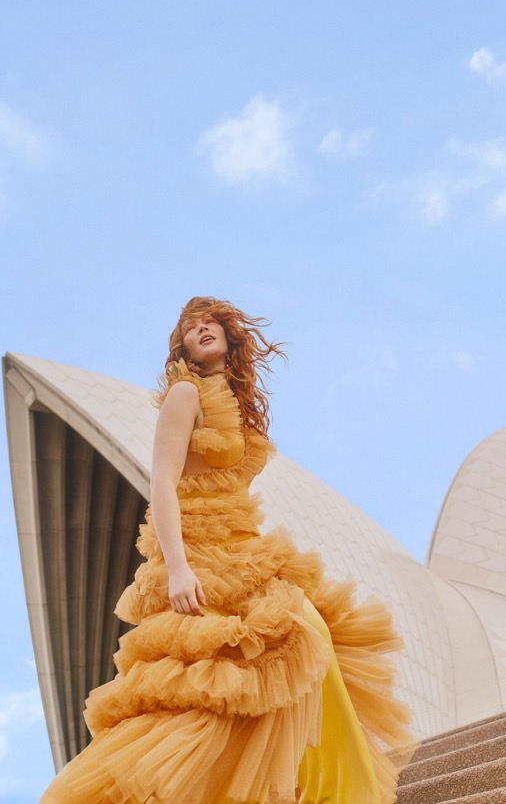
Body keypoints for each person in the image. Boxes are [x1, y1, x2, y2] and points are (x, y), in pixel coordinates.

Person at [42, 297, 415, 803]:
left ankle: (327, 792)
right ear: (183, 346)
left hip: (244, 546)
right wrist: (177, 568)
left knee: (304, 647)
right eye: (189, 327)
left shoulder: (232, 400)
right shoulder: (184, 392)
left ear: (228, 333)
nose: (200, 328)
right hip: (200, 552)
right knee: (227, 678)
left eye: (208, 321)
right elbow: (163, 483)